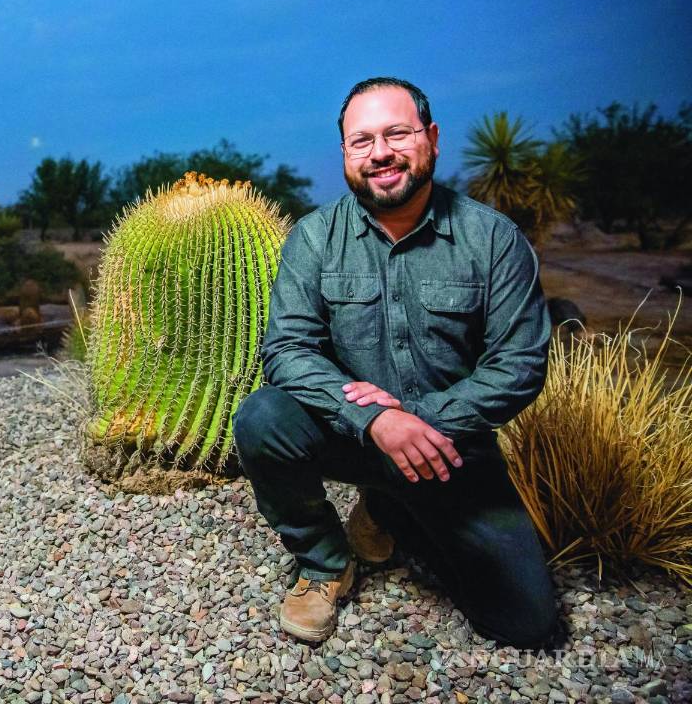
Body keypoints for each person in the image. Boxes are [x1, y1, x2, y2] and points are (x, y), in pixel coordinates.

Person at [232, 77, 563, 649]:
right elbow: (286, 351)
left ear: (431, 139)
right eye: (361, 141)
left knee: (527, 625)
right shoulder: (313, 239)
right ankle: (326, 560)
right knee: (263, 417)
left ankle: (387, 508)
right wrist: (380, 422)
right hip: (353, 433)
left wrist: (419, 418)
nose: (379, 152)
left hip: (448, 447)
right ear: (344, 155)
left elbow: (520, 364)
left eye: (397, 133)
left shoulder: (494, 241)